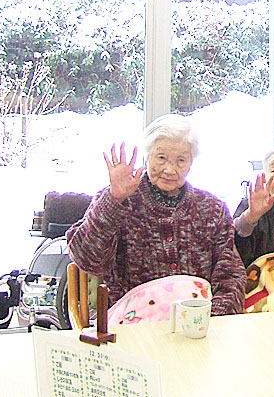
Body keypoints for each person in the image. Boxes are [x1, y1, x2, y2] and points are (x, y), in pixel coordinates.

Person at [66, 114, 246, 315]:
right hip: (133, 323)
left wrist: (212, 318)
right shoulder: (117, 200)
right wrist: (114, 200)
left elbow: (231, 275)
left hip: (197, 322)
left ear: (191, 163)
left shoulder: (212, 209)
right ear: (148, 156)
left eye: (181, 160)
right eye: (161, 158)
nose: (170, 169)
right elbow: (87, 260)